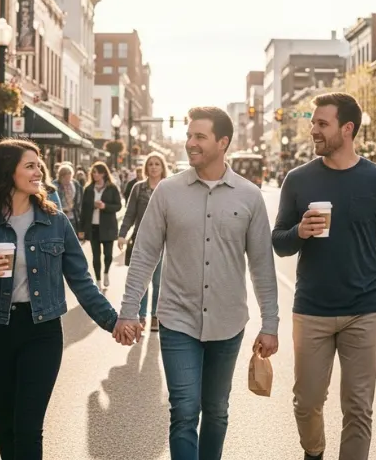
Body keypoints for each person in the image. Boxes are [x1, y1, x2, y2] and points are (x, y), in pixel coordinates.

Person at [114, 107, 279, 459]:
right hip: (178, 320)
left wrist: (270, 323)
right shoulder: (168, 192)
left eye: (199, 137)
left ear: (223, 142)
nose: (190, 143)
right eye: (189, 135)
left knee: (216, 412)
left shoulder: (249, 196)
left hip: (228, 322)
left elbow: (262, 265)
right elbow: (144, 254)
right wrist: (129, 311)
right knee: (185, 411)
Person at [271, 92, 376, 460]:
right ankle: (315, 452)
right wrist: (299, 233)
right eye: (313, 123)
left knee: (358, 409)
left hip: (364, 309)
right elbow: (279, 242)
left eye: (321, 124)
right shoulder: (298, 180)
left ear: (347, 128)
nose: (313, 131)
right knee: (306, 403)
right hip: (311, 310)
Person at [0, 138, 118, 460]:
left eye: (38, 164)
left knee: (28, 424)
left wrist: (113, 321)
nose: (38, 171)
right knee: (4, 423)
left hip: (41, 331)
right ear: (7, 172)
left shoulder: (54, 221)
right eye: (30, 165)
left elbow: (81, 279)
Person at [117, 152, 169, 331]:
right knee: (142, 280)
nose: (153, 167)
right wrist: (122, 234)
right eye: (151, 164)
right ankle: (141, 316)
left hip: (164, 242)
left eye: (157, 164)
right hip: (143, 240)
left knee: (158, 281)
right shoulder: (138, 188)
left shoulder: (169, 188)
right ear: (146, 167)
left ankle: (156, 315)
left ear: (163, 167)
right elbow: (130, 214)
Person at [78, 162, 122, 290]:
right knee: (96, 256)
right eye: (93, 172)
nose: (94, 174)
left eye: (96, 172)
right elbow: (83, 210)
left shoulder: (112, 188)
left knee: (108, 255)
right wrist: (81, 229)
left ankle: (106, 272)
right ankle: (97, 280)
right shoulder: (89, 189)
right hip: (93, 227)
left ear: (103, 173)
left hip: (108, 227)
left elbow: (118, 206)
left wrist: (105, 206)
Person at [55, 164, 82, 229]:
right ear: (61, 176)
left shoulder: (75, 184)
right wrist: (62, 209)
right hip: (59, 217)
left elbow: (79, 201)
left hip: (73, 217)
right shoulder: (55, 186)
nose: (68, 180)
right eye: (66, 178)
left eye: (70, 178)